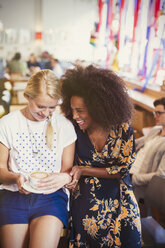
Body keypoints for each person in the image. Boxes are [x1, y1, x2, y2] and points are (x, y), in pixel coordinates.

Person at [61, 65, 141, 248]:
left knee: (129, 229)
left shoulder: (122, 128)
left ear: (98, 107)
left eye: (80, 110)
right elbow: (67, 165)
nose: (75, 116)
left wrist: (83, 169)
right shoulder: (72, 129)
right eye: (72, 109)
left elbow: (123, 169)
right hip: (85, 197)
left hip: (119, 194)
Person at [0, 69, 77, 248]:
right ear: (28, 97)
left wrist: (65, 177)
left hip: (51, 197)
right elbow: (1, 170)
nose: (46, 113)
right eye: (40, 106)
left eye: (52, 107)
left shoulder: (64, 126)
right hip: (13, 195)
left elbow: (67, 169)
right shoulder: (7, 124)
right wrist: (16, 178)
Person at [130, 97, 165, 202]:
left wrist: (133, 178)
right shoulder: (156, 130)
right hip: (128, 169)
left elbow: (159, 175)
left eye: (159, 113)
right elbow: (135, 143)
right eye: (154, 112)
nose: (155, 116)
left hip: (137, 184)